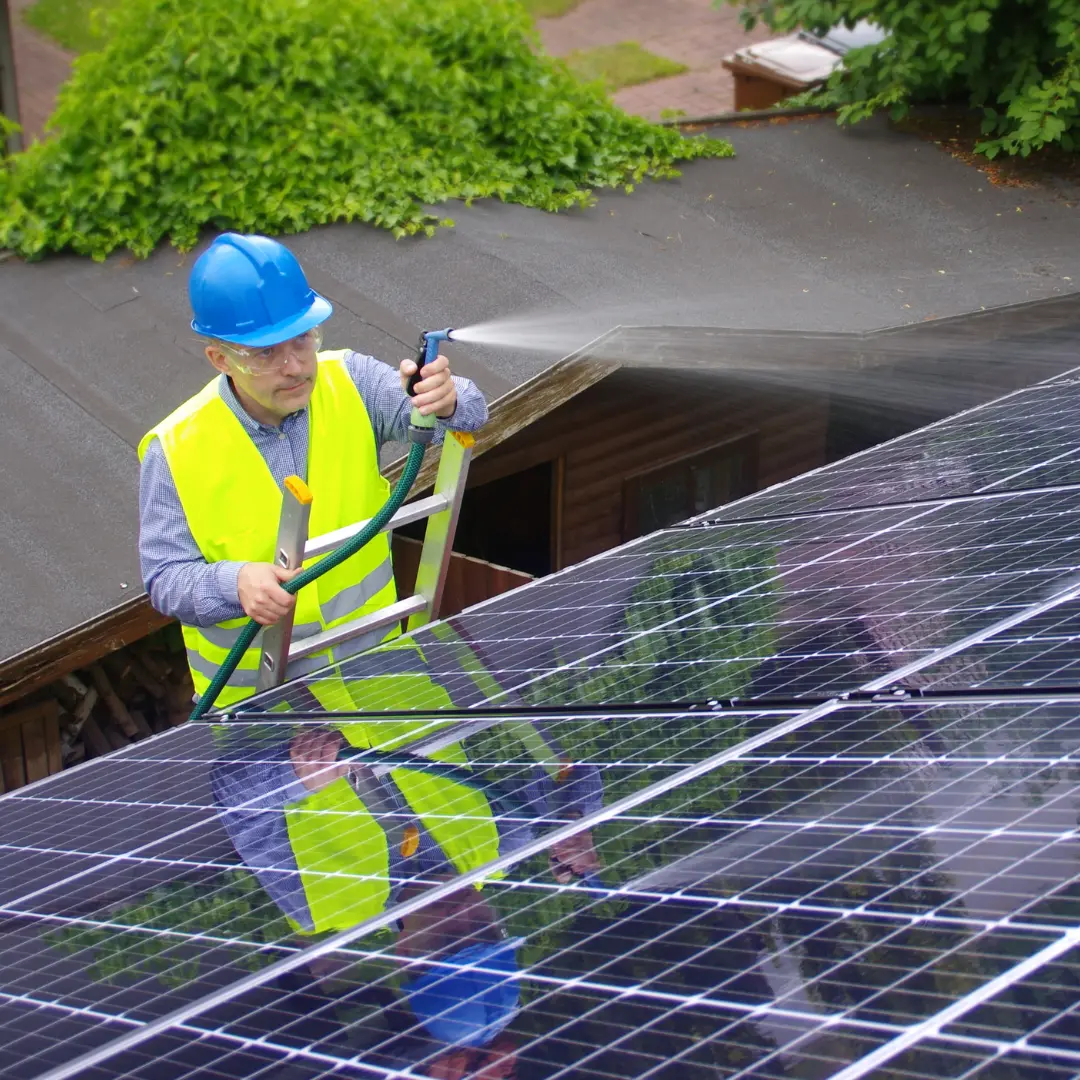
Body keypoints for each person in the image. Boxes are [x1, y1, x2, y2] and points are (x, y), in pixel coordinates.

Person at [137, 232, 488, 708]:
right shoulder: (175, 448)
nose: (295, 366)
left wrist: (444, 400)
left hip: (381, 680)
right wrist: (235, 583)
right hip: (262, 718)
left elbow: (469, 411)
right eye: (265, 352)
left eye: (302, 339)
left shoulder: (351, 380)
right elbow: (164, 577)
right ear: (220, 359)